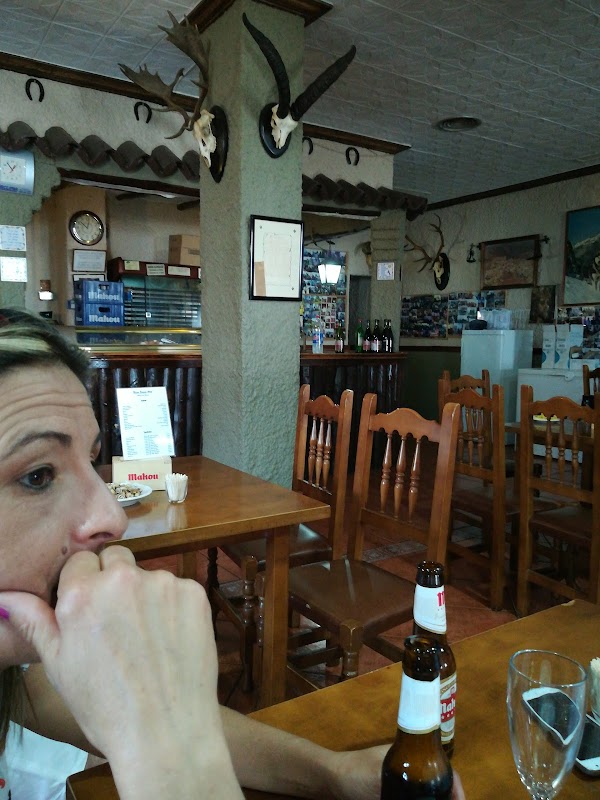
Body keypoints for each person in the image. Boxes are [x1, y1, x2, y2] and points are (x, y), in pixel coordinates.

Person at [0, 308, 465, 800]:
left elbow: (150, 716)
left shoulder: (22, 681)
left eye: (92, 460)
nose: (112, 517)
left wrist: (331, 771)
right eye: (38, 476)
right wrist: (165, 754)